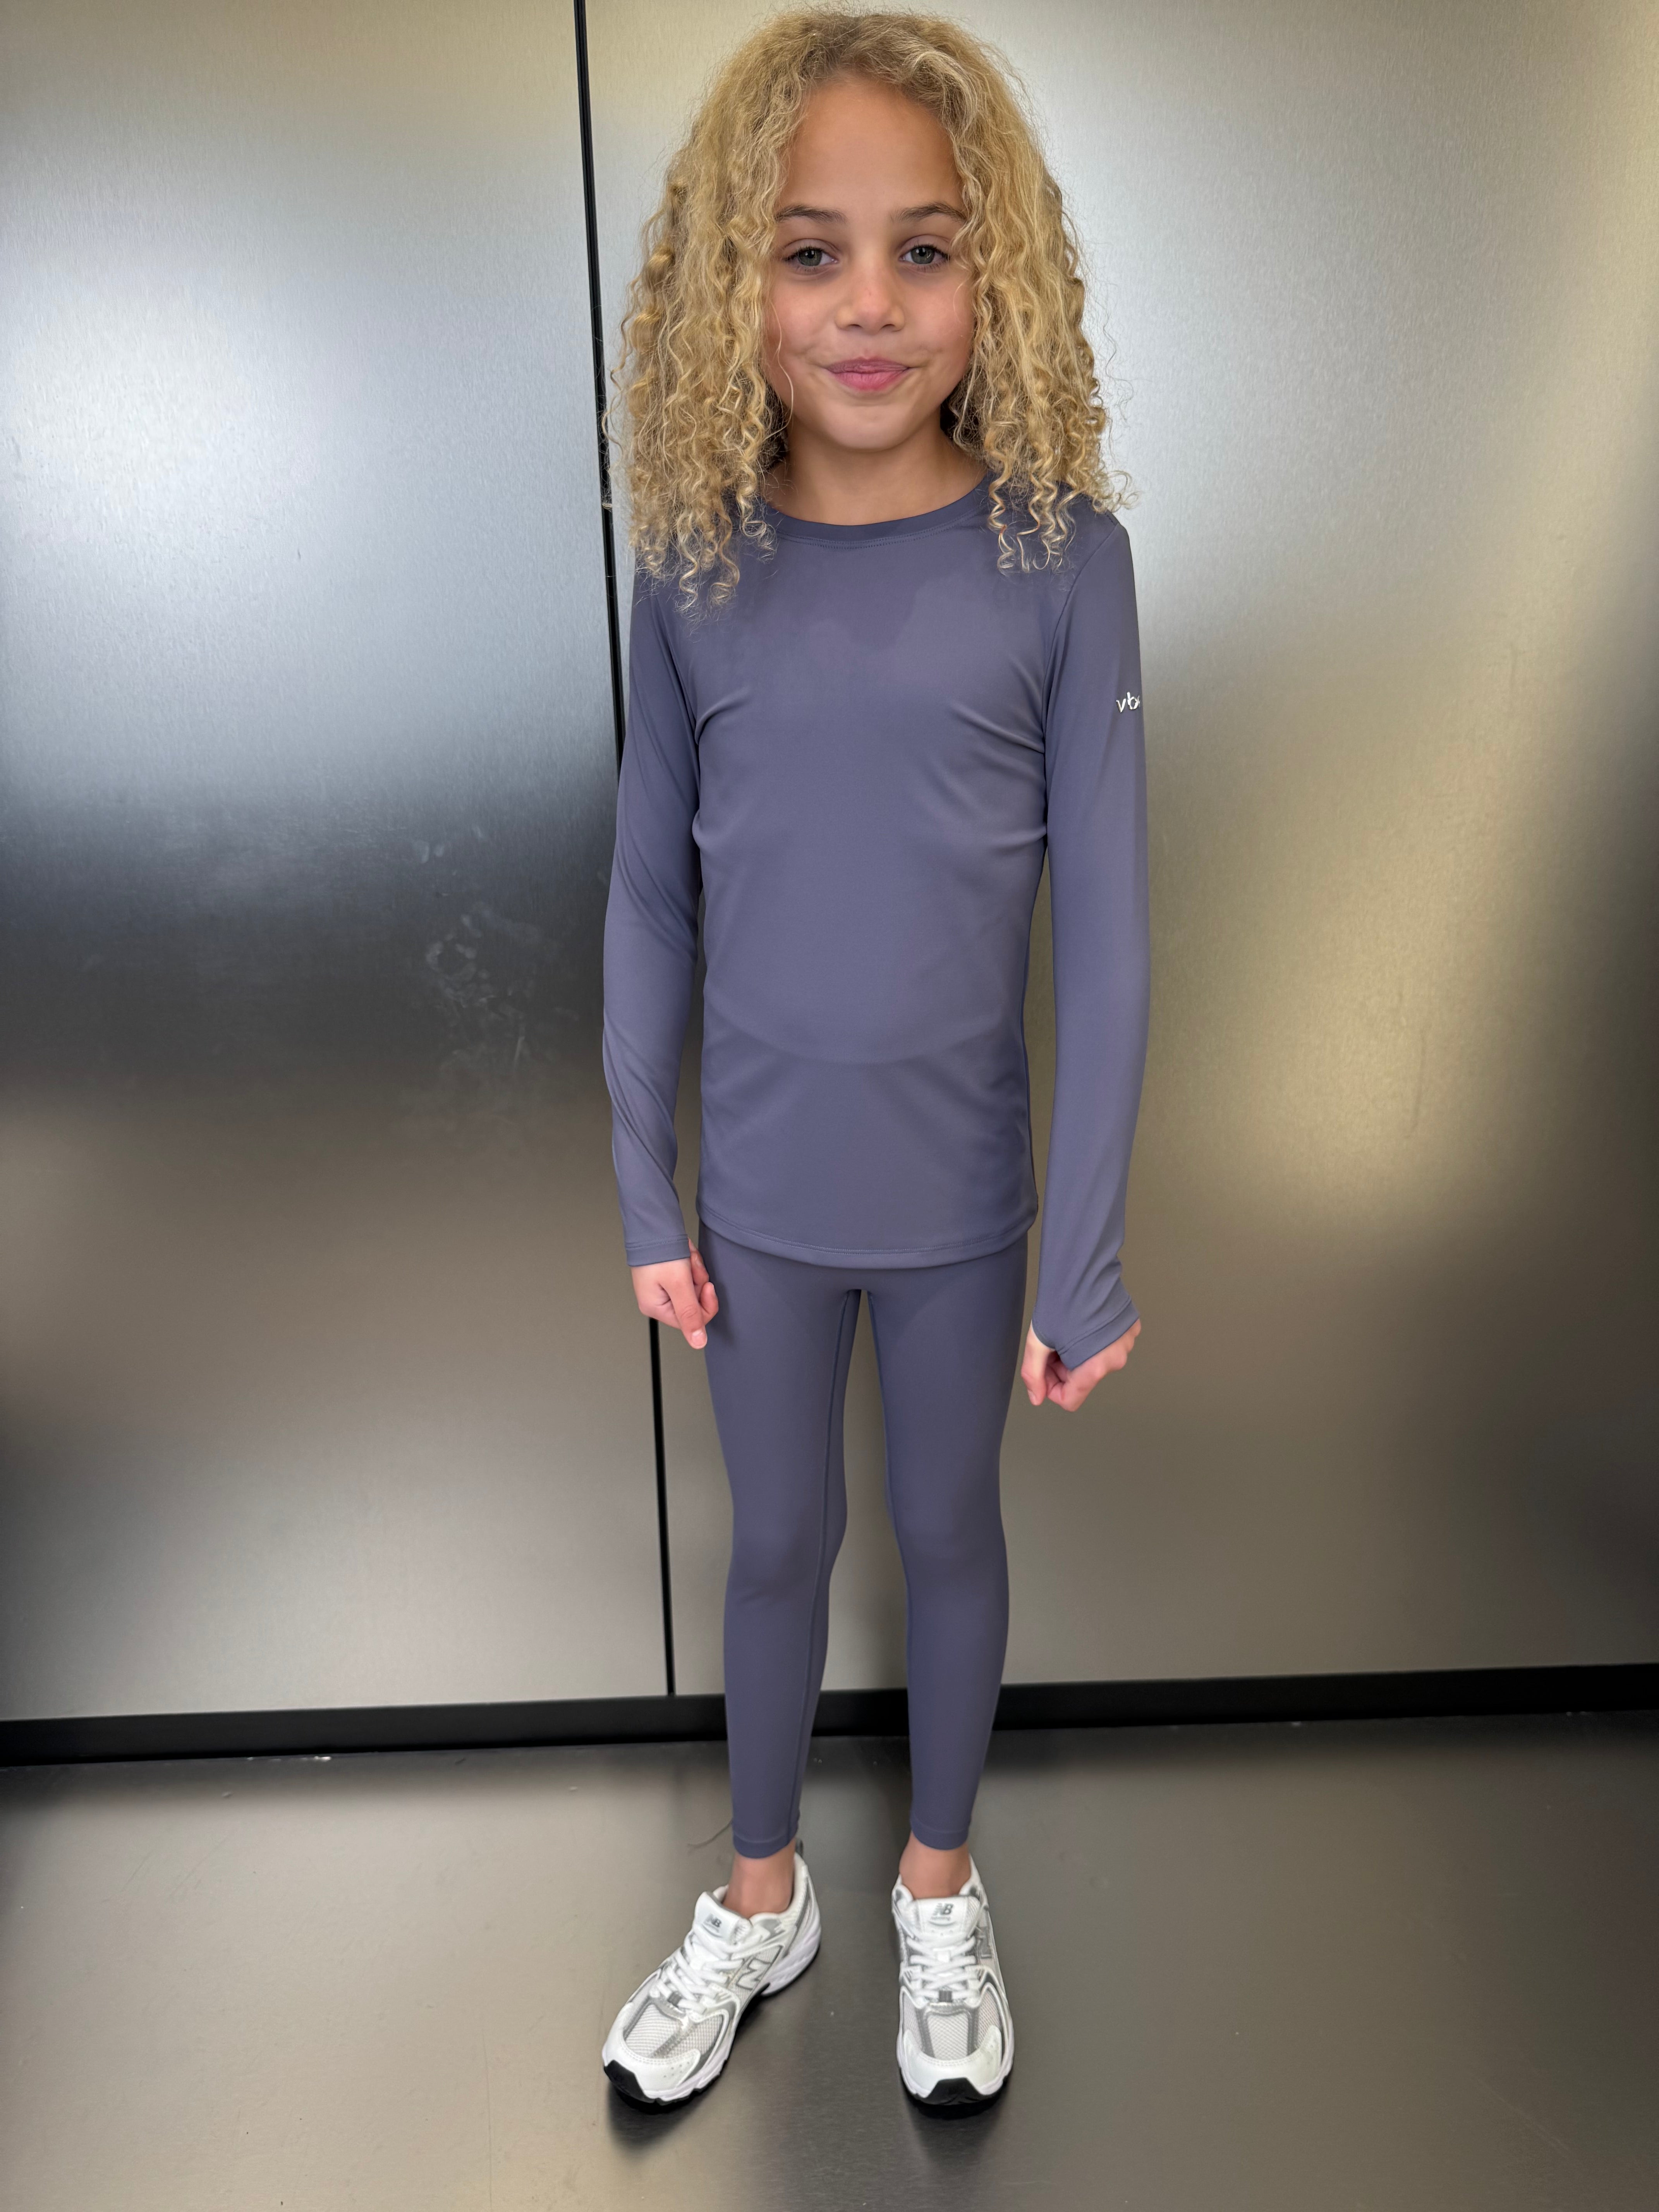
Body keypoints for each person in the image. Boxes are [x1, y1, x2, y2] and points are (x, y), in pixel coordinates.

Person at [597, 7, 1149, 2110]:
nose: (868, 305)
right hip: (756, 1208)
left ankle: (934, 1884)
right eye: (809, 251)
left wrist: (1083, 1254)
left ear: (995, 277)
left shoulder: (1061, 564)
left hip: (961, 1208)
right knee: (770, 1552)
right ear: (731, 284)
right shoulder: (693, 574)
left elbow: (1110, 934)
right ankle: (763, 1903)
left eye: (924, 250)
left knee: (948, 1535)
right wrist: (646, 1191)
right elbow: (651, 896)